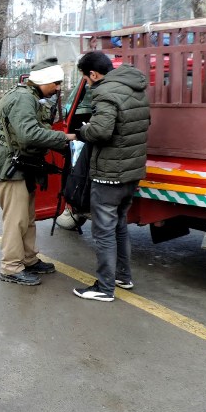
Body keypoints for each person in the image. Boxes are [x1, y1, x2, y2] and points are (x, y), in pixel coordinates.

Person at [0, 58, 76, 285]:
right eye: (55, 83)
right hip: (11, 166)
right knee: (16, 220)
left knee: (27, 217)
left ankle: (27, 259)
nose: (58, 88)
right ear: (44, 80)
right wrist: (63, 138)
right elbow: (29, 135)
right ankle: (11, 267)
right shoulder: (23, 99)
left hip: (22, 165)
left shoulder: (31, 97)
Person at [73, 51, 150, 302]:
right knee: (119, 226)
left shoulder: (104, 92)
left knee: (103, 231)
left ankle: (104, 288)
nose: (86, 82)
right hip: (131, 172)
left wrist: (83, 131)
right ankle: (122, 276)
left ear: (93, 74)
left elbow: (102, 132)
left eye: (85, 78)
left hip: (110, 174)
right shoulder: (135, 88)